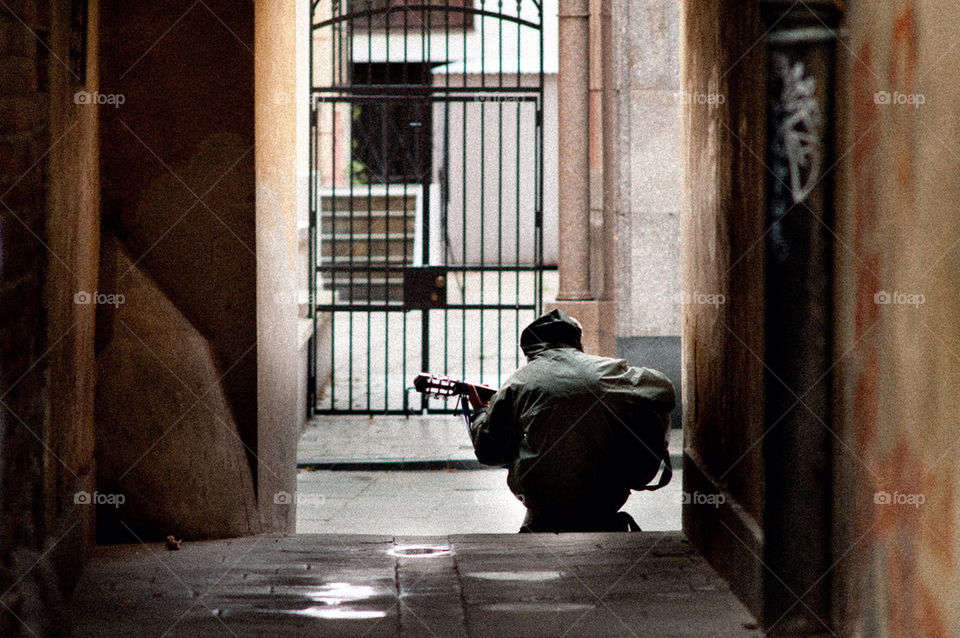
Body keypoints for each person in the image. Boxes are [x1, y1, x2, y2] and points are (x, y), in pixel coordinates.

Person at [466, 309, 676, 533]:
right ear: (577, 342)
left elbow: (489, 452)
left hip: (541, 498)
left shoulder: (518, 382)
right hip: (605, 495)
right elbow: (665, 390)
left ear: (529, 352)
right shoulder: (609, 371)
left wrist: (480, 414)